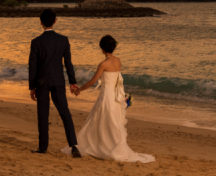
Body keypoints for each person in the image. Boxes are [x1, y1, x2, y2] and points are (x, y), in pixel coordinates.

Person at [62, 35, 154, 163]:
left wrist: (79, 90)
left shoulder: (103, 64)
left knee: (101, 120)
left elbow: (93, 81)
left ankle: (105, 147)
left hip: (106, 96)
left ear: (102, 49)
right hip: (116, 97)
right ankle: (112, 146)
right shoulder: (118, 61)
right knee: (112, 122)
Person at [28, 8, 81, 157]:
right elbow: (68, 63)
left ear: (41, 22)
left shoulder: (36, 42)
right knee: (65, 112)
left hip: (42, 82)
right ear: (55, 21)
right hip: (58, 80)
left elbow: (33, 65)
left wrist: (32, 87)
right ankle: (74, 146)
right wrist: (72, 82)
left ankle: (43, 147)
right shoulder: (63, 40)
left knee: (43, 115)